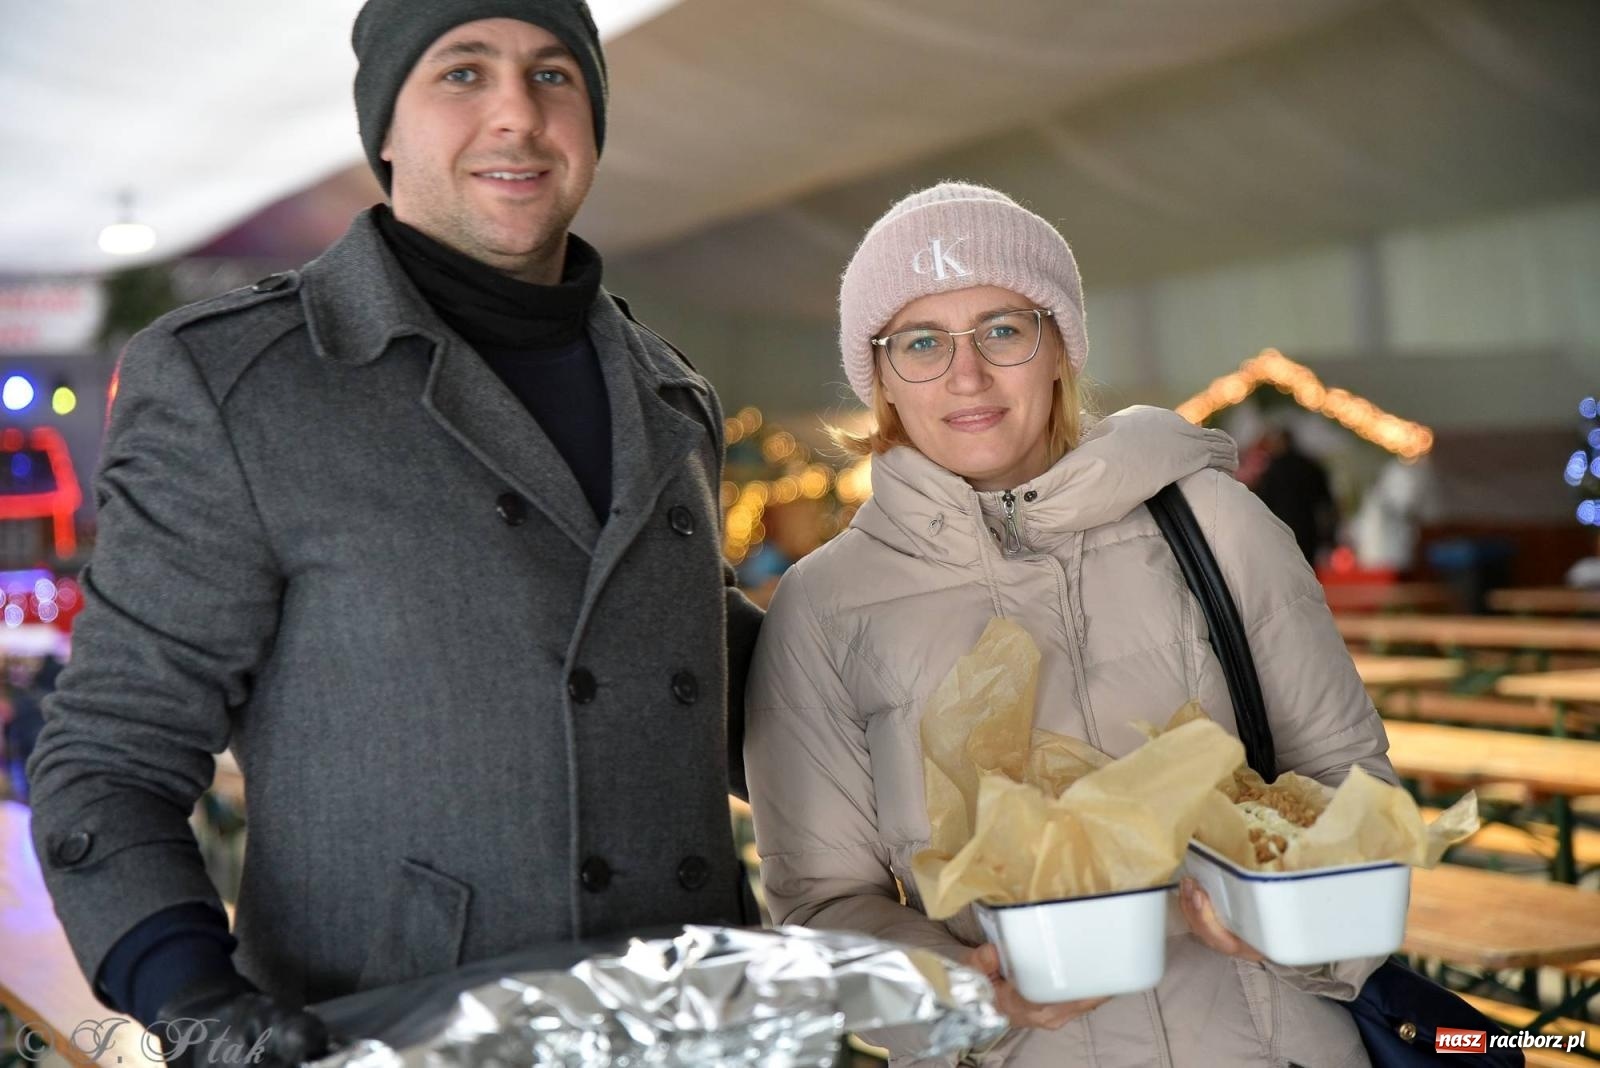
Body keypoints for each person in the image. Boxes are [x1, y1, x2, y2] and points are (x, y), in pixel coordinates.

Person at [28, 2, 761, 1062]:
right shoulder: (243, 385)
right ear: (382, 127)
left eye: (554, 76)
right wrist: (193, 998)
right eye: (462, 74)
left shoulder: (669, 395)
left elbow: (708, 681)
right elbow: (109, 756)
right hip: (390, 1036)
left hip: (707, 1031)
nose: (516, 113)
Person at [743, 183, 1395, 1067]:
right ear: (882, 375)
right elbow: (821, 903)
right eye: (922, 343)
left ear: (1060, 347)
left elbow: (1349, 780)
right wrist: (965, 990)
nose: (965, 374)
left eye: (1003, 330)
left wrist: (1305, 918)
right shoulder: (822, 611)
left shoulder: (1215, 525)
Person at [1251, 424, 1338, 567]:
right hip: (1307, 526)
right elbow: (1325, 500)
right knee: (1308, 567)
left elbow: (1263, 499)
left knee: (1284, 567)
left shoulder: (1273, 469)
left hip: (1280, 526)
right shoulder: (1311, 466)